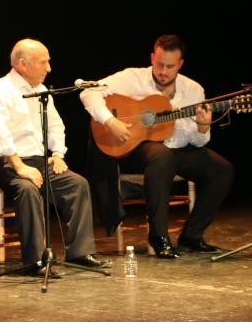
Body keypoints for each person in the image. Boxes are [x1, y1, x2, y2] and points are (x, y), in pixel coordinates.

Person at [80, 34, 233, 259]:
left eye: (170, 66)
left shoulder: (193, 90)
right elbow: (88, 92)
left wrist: (202, 127)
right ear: (152, 58)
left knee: (222, 169)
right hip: (136, 148)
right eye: (159, 64)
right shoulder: (132, 77)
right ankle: (159, 237)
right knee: (162, 156)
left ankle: (192, 236)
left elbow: (198, 142)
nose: (163, 71)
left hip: (178, 149)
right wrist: (110, 121)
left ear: (180, 65)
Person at [0, 38, 108, 276]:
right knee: (27, 189)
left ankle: (79, 253)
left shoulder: (41, 91)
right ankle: (36, 261)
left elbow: (56, 126)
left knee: (77, 184)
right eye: (44, 62)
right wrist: (20, 167)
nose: (49, 68)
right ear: (22, 64)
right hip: (3, 163)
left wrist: (58, 154)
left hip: (38, 162)